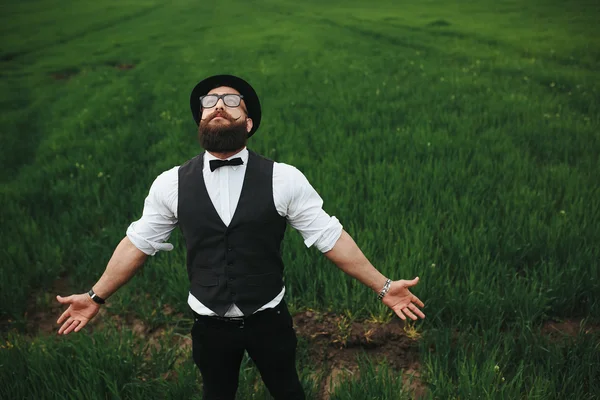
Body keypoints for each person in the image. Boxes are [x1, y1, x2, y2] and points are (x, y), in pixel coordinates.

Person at [55, 74, 426, 400]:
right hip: (208, 322)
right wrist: (94, 296)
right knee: (217, 393)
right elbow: (138, 243)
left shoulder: (284, 178)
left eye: (232, 101)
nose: (219, 106)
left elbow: (330, 237)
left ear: (248, 123)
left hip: (269, 317)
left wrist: (383, 286)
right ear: (200, 120)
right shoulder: (170, 184)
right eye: (209, 102)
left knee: (287, 389)